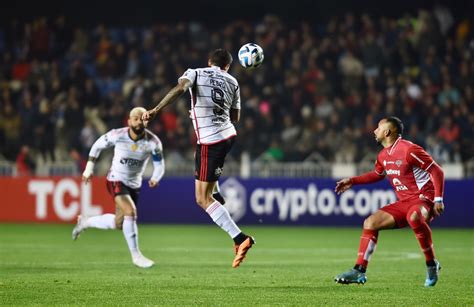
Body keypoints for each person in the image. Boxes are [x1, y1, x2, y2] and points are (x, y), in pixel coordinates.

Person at [142, 49, 254, 268]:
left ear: (209, 61)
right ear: (227, 66)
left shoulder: (195, 72)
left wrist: (156, 109)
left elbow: (180, 88)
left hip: (210, 141)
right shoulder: (233, 81)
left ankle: (240, 238)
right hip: (228, 135)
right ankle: (217, 192)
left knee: (202, 199)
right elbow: (235, 117)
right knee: (207, 183)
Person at [334, 116, 445, 287]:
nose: (374, 131)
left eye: (378, 127)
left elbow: (437, 171)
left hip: (424, 199)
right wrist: (352, 181)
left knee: (414, 216)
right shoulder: (383, 155)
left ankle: (431, 265)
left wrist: (438, 199)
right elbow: (377, 175)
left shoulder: (410, 150)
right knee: (370, 223)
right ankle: (359, 270)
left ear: (387, 132)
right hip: (405, 202)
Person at [72, 107, 165, 269]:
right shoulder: (118, 135)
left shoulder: (153, 142)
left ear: (146, 120)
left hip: (134, 185)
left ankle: (86, 222)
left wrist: (156, 178)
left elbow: (159, 164)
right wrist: (89, 168)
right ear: (129, 121)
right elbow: (97, 146)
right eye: (134, 118)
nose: (138, 121)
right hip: (115, 179)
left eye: (141, 118)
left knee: (119, 223)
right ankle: (136, 256)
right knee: (131, 212)